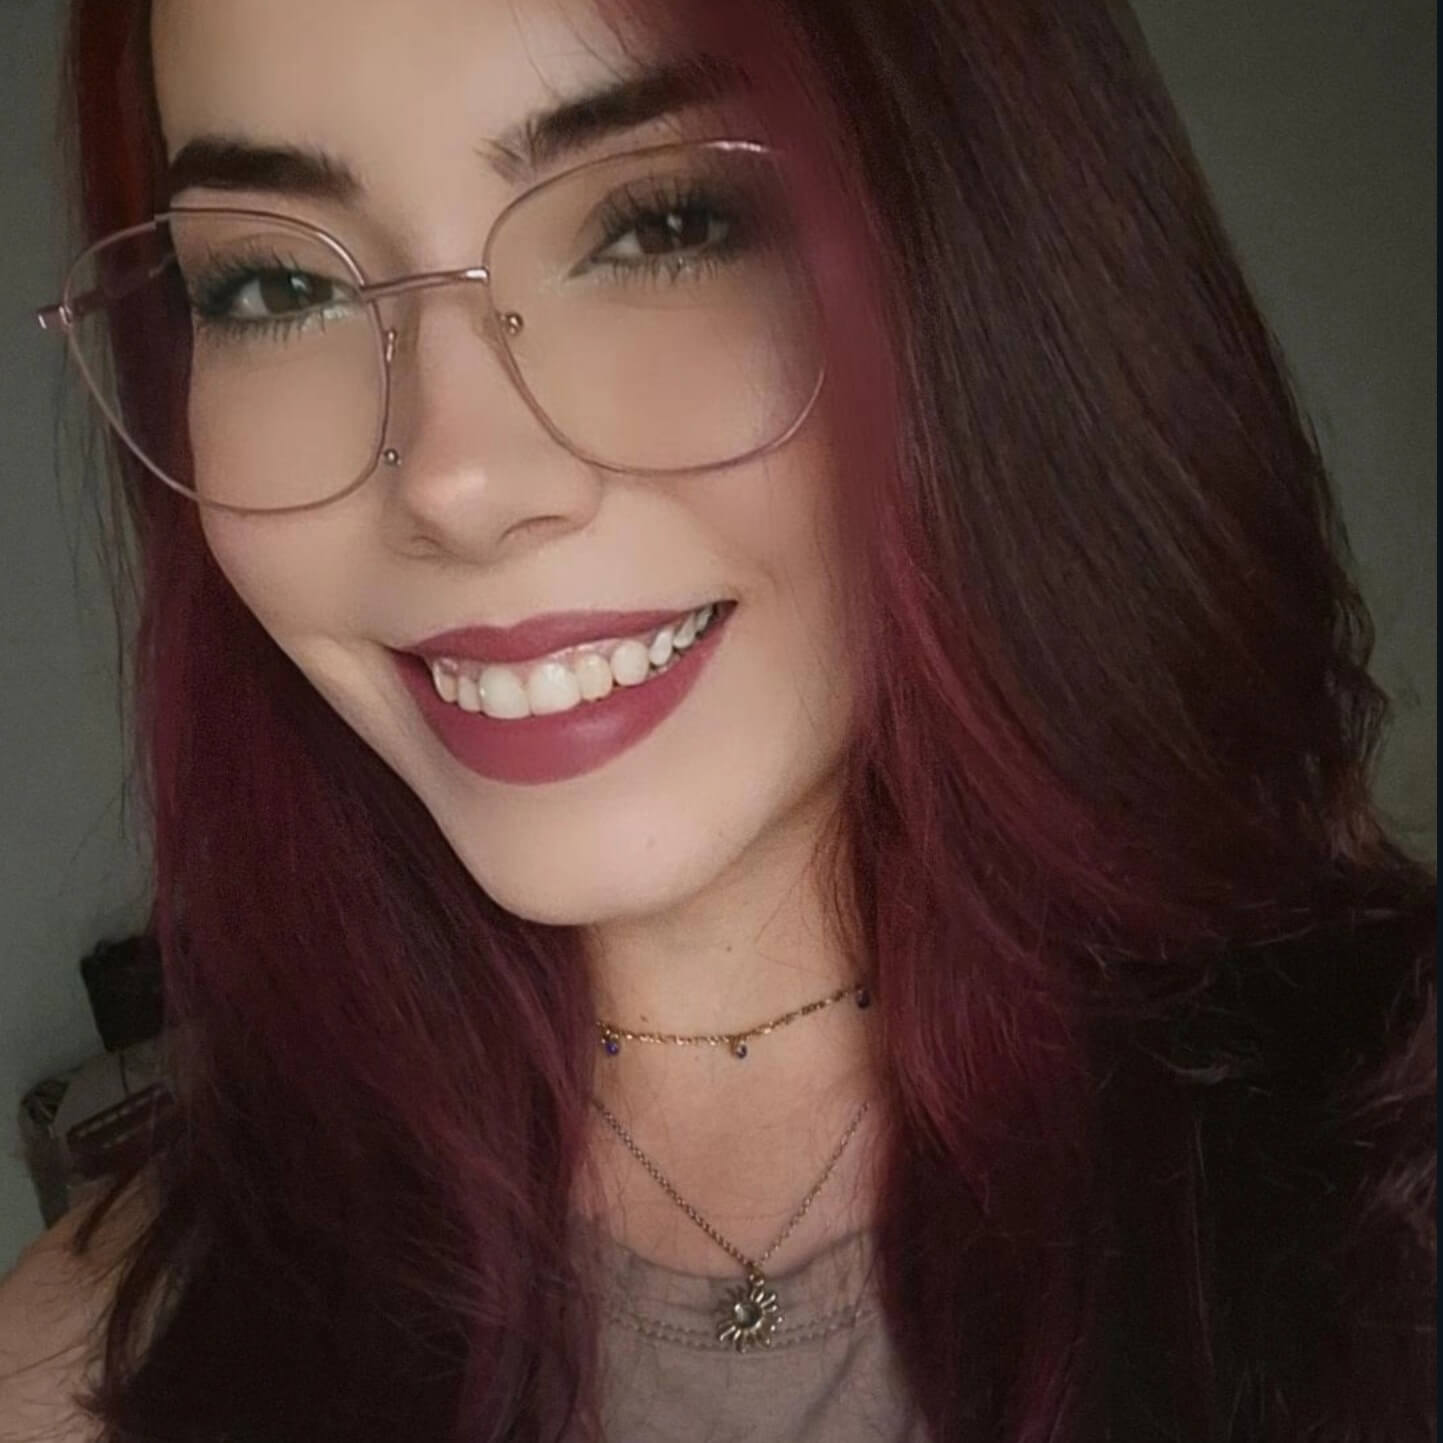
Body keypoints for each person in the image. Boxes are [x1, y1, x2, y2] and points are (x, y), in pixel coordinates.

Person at [0, 0, 1433, 1439]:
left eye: (664, 224)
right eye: (273, 286)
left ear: (1006, 268)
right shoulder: (82, 1379)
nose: (457, 482)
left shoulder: (1385, 1193)